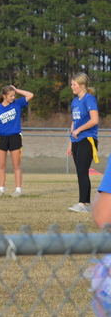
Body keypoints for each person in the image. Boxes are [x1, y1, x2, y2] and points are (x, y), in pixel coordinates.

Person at [0, 85, 34, 198]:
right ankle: (1, 189)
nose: (13, 97)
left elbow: (30, 95)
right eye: (11, 96)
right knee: (1, 165)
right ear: (4, 96)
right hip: (1, 138)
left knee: (16, 165)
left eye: (14, 95)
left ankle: (18, 190)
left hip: (15, 137)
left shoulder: (17, 104)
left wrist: (17, 90)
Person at [68, 72, 99, 213]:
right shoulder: (75, 101)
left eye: (74, 84)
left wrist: (79, 130)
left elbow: (94, 120)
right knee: (81, 172)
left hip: (87, 139)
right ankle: (86, 203)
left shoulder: (89, 99)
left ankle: (81, 204)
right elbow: (73, 122)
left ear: (82, 85)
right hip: (76, 140)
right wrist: (70, 143)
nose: (71, 87)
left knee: (82, 171)